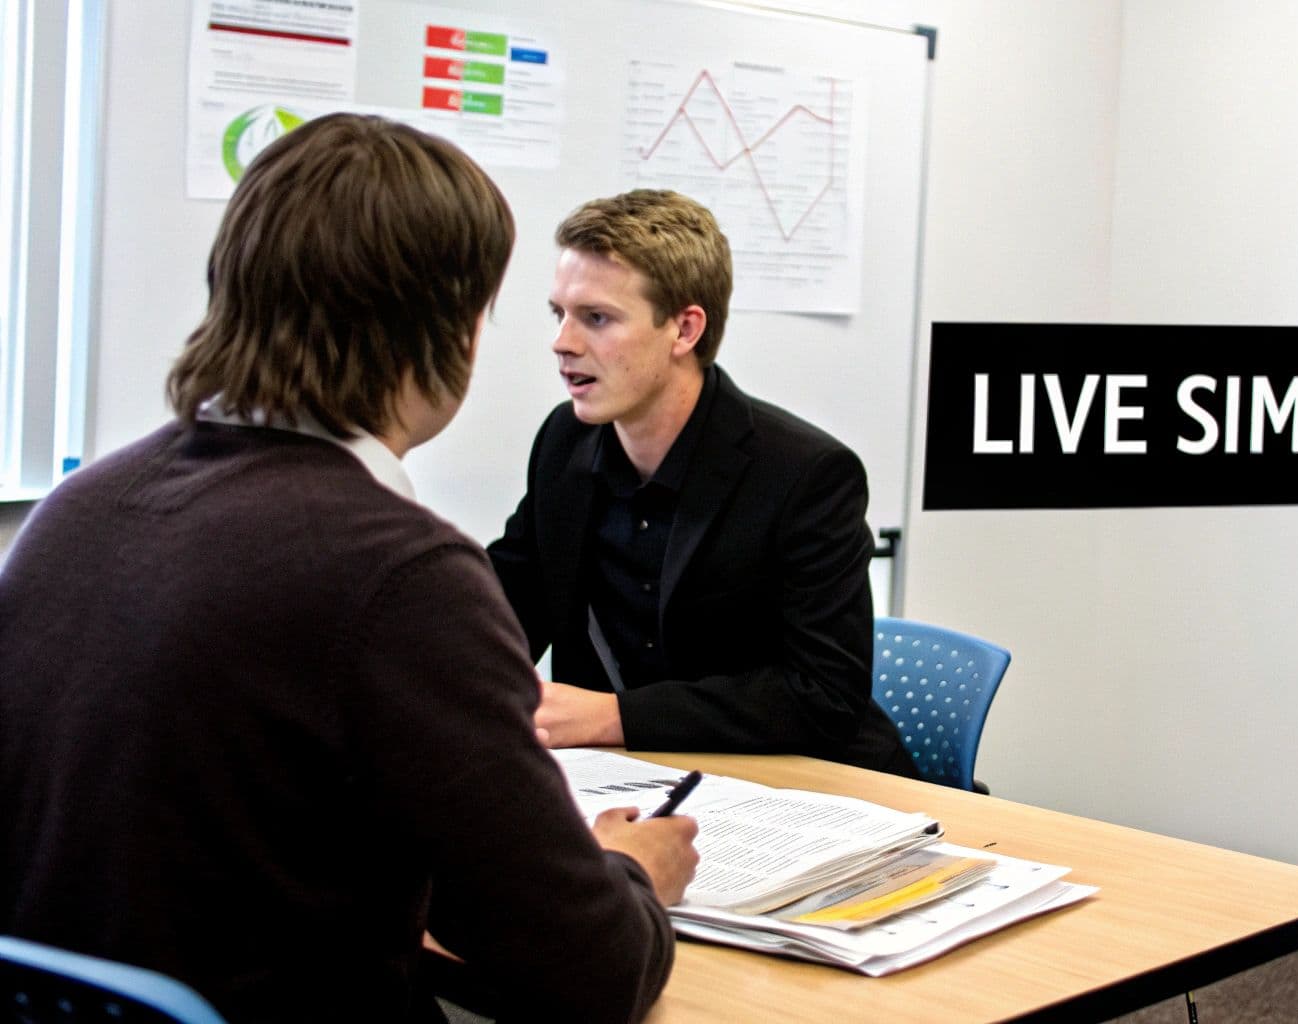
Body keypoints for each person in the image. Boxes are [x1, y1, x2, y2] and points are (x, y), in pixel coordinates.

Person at [0, 114, 697, 1024]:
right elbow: (589, 973)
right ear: (448, 326)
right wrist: (631, 875)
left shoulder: (74, 513)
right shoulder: (400, 576)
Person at [487, 190, 918, 777]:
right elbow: (501, 612)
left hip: (806, 787)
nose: (563, 342)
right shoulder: (565, 442)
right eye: (558, 314)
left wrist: (616, 716)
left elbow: (824, 696)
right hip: (635, 780)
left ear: (685, 329)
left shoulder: (806, 474)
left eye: (596, 318)